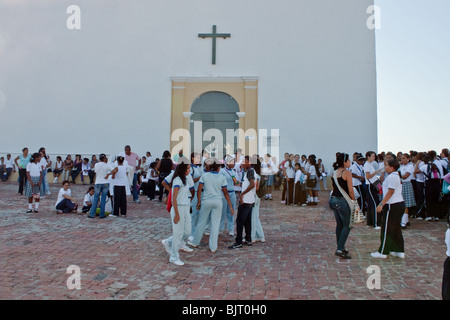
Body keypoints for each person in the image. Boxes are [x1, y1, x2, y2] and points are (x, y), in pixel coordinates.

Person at [188, 158, 235, 252]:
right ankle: (213, 247)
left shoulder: (204, 176)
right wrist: (230, 206)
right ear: (217, 168)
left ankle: (195, 242)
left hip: (206, 201)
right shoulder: (221, 177)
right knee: (215, 224)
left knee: (201, 222)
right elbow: (225, 193)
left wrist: (199, 202)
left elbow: (200, 190)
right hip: (218, 201)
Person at [161, 159, 195, 266]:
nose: (190, 170)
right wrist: (176, 213)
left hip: (185, 207)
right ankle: (174, 257)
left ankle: (169, 241)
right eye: (188, 168)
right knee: (178, 233)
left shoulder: (185, 179)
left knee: (187, 231)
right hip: (178, 207)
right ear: (183, 169)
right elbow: (173, 199)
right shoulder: (177, 181)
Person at [371, 158, 405, 259]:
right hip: (399, 204)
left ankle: (383, 252)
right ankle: (398, 250)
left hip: (392, 205)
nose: (385, 167)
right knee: (396, 228)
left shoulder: (392, 177)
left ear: (391, 167)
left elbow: (390, 192)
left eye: (386, 165)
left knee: (387, 229)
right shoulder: (395, 176)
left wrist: (381, 204)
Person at [329, 153, 355, 259]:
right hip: (343, 201)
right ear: (344, 162)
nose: (350, 162)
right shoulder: (347, 173)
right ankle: (340, 248)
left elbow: (333, 187)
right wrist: (353, 202)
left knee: (339, 224)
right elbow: (351, 190)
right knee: (347, 225)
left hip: (333, 200)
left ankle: (341, 246)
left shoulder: (334, 173)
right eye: (348, 161)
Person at [229, 156, 256, 249]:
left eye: (244, 162)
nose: (242, 164)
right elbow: (248, 184)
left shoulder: (250, 171)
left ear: (249, 162)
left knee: (240, 221)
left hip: (246, 200)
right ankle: (248, 239)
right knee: (247, 221)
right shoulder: (249, 171)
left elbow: (252, 184)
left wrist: (242, 194)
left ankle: (239, 241)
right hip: (250, 200)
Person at [88, 153, 112, 219]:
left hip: (98, 182)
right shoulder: (106, 165)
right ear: (105, 158)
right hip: (105, 182)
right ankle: (102, 214)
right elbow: (113, 170)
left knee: (96, 199)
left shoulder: (96, 165)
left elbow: (96, 172)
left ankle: (92, 214)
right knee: (103, 199)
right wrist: (108, 174)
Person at [220, 155, 237, 237]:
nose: (233, 163)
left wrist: (236, 181)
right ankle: (220, 228)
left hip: (232, 192)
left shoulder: (234, 172)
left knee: (231, 211)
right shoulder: (222, 171)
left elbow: (236, 182)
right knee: (222, 211)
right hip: (224, 193)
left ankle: (231, 229)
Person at [364, 151, 382, 229]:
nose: (374, 158)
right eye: (372, 156)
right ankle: (376, 223)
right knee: (375, 203)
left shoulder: (369, 165)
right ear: (368, 156)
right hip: (370, 185)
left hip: (371, 185)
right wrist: (376, 172)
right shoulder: (367, 165)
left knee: (371, 204)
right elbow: (368, 176)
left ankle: (370, 222)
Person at [399, 153, 416, 229]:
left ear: (408, 159)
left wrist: (398, 176)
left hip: (406, 184)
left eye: (403, 158)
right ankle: (406, 220)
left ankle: (403, 222)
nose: (402, 160)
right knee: (402, 203)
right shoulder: (401, 166)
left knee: (406, 204)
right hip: (401, 184)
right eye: (401, 158)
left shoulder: (410, 166)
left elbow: (405, 176)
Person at [251, 156, 265, 243]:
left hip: (253, 196)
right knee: (256, 217)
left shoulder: (254, 174)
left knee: (253, 217)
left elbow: (255, 187)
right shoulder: (259, 174)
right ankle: (260, 235)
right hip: (257, 197)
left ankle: (252, 236)